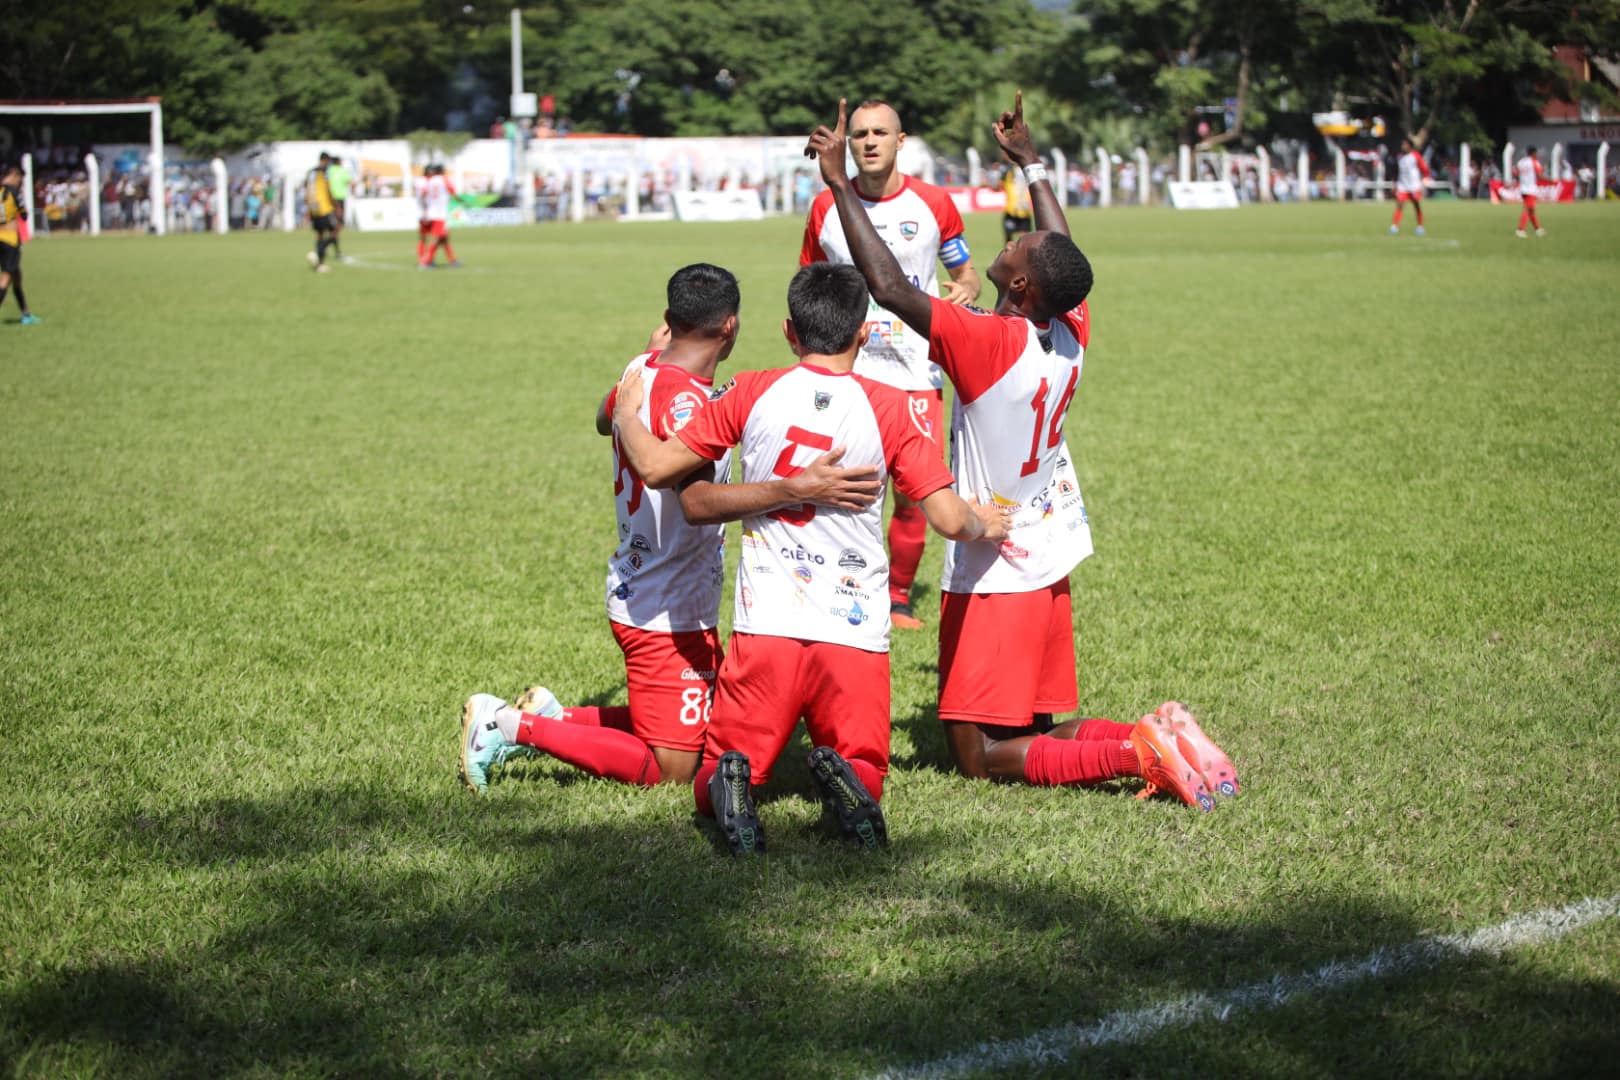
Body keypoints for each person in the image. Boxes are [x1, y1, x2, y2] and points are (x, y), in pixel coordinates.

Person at [806, 94, 1238, 812]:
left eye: (1015, 249)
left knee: (975, 754)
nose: (1011, 240)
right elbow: (1064, 252)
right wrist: (1030, 164)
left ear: (1019, 284)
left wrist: (839, 185)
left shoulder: (986, 345)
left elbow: (884, 285)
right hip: (1052, 540)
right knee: (1042, 722)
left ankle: (1134, 754)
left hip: (995, 556)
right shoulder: (1067, 328)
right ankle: (1157, 735)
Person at [613, 263, 1010, 854]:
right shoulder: (891, 407)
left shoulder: (749, 389)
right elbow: (950, 520)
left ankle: (733, 782)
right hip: (852, 630)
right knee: (866, 768)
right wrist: (986, 521)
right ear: (866, 335)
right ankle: (845, 783)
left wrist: (623, 415)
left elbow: (665, 475)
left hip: (766, 625)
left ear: (789, 332)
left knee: (719, 764)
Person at [458, 264, 882, 794]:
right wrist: (796, 487)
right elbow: (689, 497)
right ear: (731, 327)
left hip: (644, 580)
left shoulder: (641, 369)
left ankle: (555, 715)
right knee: (674, 768)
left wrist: (637, 379)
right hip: (667, 603)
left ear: (669, 319)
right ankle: (505, 726)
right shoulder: (691, 405)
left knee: (704, 732)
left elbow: (603, 417)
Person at [800, 100, 982, 632]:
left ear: (902, 141)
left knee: (913, 494)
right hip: (843, 371)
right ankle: (845, 585)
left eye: (881, 132)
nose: (870, 141)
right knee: (846, 487)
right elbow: (809, 282)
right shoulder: (824, 208)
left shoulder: (934, 203)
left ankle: (897, 597)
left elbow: (964, 268)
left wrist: (966, 288)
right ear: (848, 144)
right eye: (860, 134)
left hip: (914, 373)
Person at [0, 163, 39, 325]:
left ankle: (26, 314)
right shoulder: (14, 192)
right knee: (6, 277)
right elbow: (24, 215)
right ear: (14, 175)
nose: (20, 182)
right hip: (10, 239)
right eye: (20, 178)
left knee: (17, 276)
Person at [417, 164, 460, 269]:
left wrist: (424, 210)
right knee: (436, 238)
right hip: (439, 214)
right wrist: (463, 202)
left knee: (441, 238)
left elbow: (422, 195)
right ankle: (425, 262)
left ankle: (452, 260)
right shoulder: (444, 180)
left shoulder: (428, 181)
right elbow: (453, 192)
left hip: (428, 212)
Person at [304, 153, 338, 273]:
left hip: (314, 208)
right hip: (324, 207)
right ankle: (318, 254)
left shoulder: (310, 173)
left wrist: (308, 209)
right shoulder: (324, 172)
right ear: (325, 160)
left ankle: (320, 264)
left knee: (320, 235)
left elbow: (306, 189)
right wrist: (336, 205)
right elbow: (328, 190)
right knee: (335, 231)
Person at [1390, 137, 1430, 236]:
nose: (1403, 146)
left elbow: (1424, 168)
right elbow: (1396, 172)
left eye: (1405, 144)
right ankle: (1395, 226)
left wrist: (1426, 177)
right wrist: (1395, 184)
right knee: (1399, 205)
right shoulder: (1400, 157)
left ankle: (1420, 226)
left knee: (1416, 205)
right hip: (1403, 185)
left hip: (1414, 186)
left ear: (1409, 145)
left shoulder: (1415, 156)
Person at [325, 154, 353, 261]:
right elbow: (350, 182)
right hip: (338, 201)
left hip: (328, 200)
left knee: (332, 226)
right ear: (338, 162)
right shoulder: (342, 170)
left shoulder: (328, 171)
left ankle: (334, 250)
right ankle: (326, 246)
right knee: (338, 226)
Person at [1516, 146, 1547, 238]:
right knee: (1527, 209)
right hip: (1530, 189)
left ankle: (1537, 229)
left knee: (1531, 210)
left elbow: (1516, 172)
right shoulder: (1534, 162)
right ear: (1533, 153)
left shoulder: (1521, 162)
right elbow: (1540, 174)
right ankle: (1520, 229)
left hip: (1523, 188)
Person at [1001, 164, 1034, 239]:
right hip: (1015, 209)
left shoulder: (1010, 171)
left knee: (1020, 237)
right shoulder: (1026, 170)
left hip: (1020, 209)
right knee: (1017, 236)